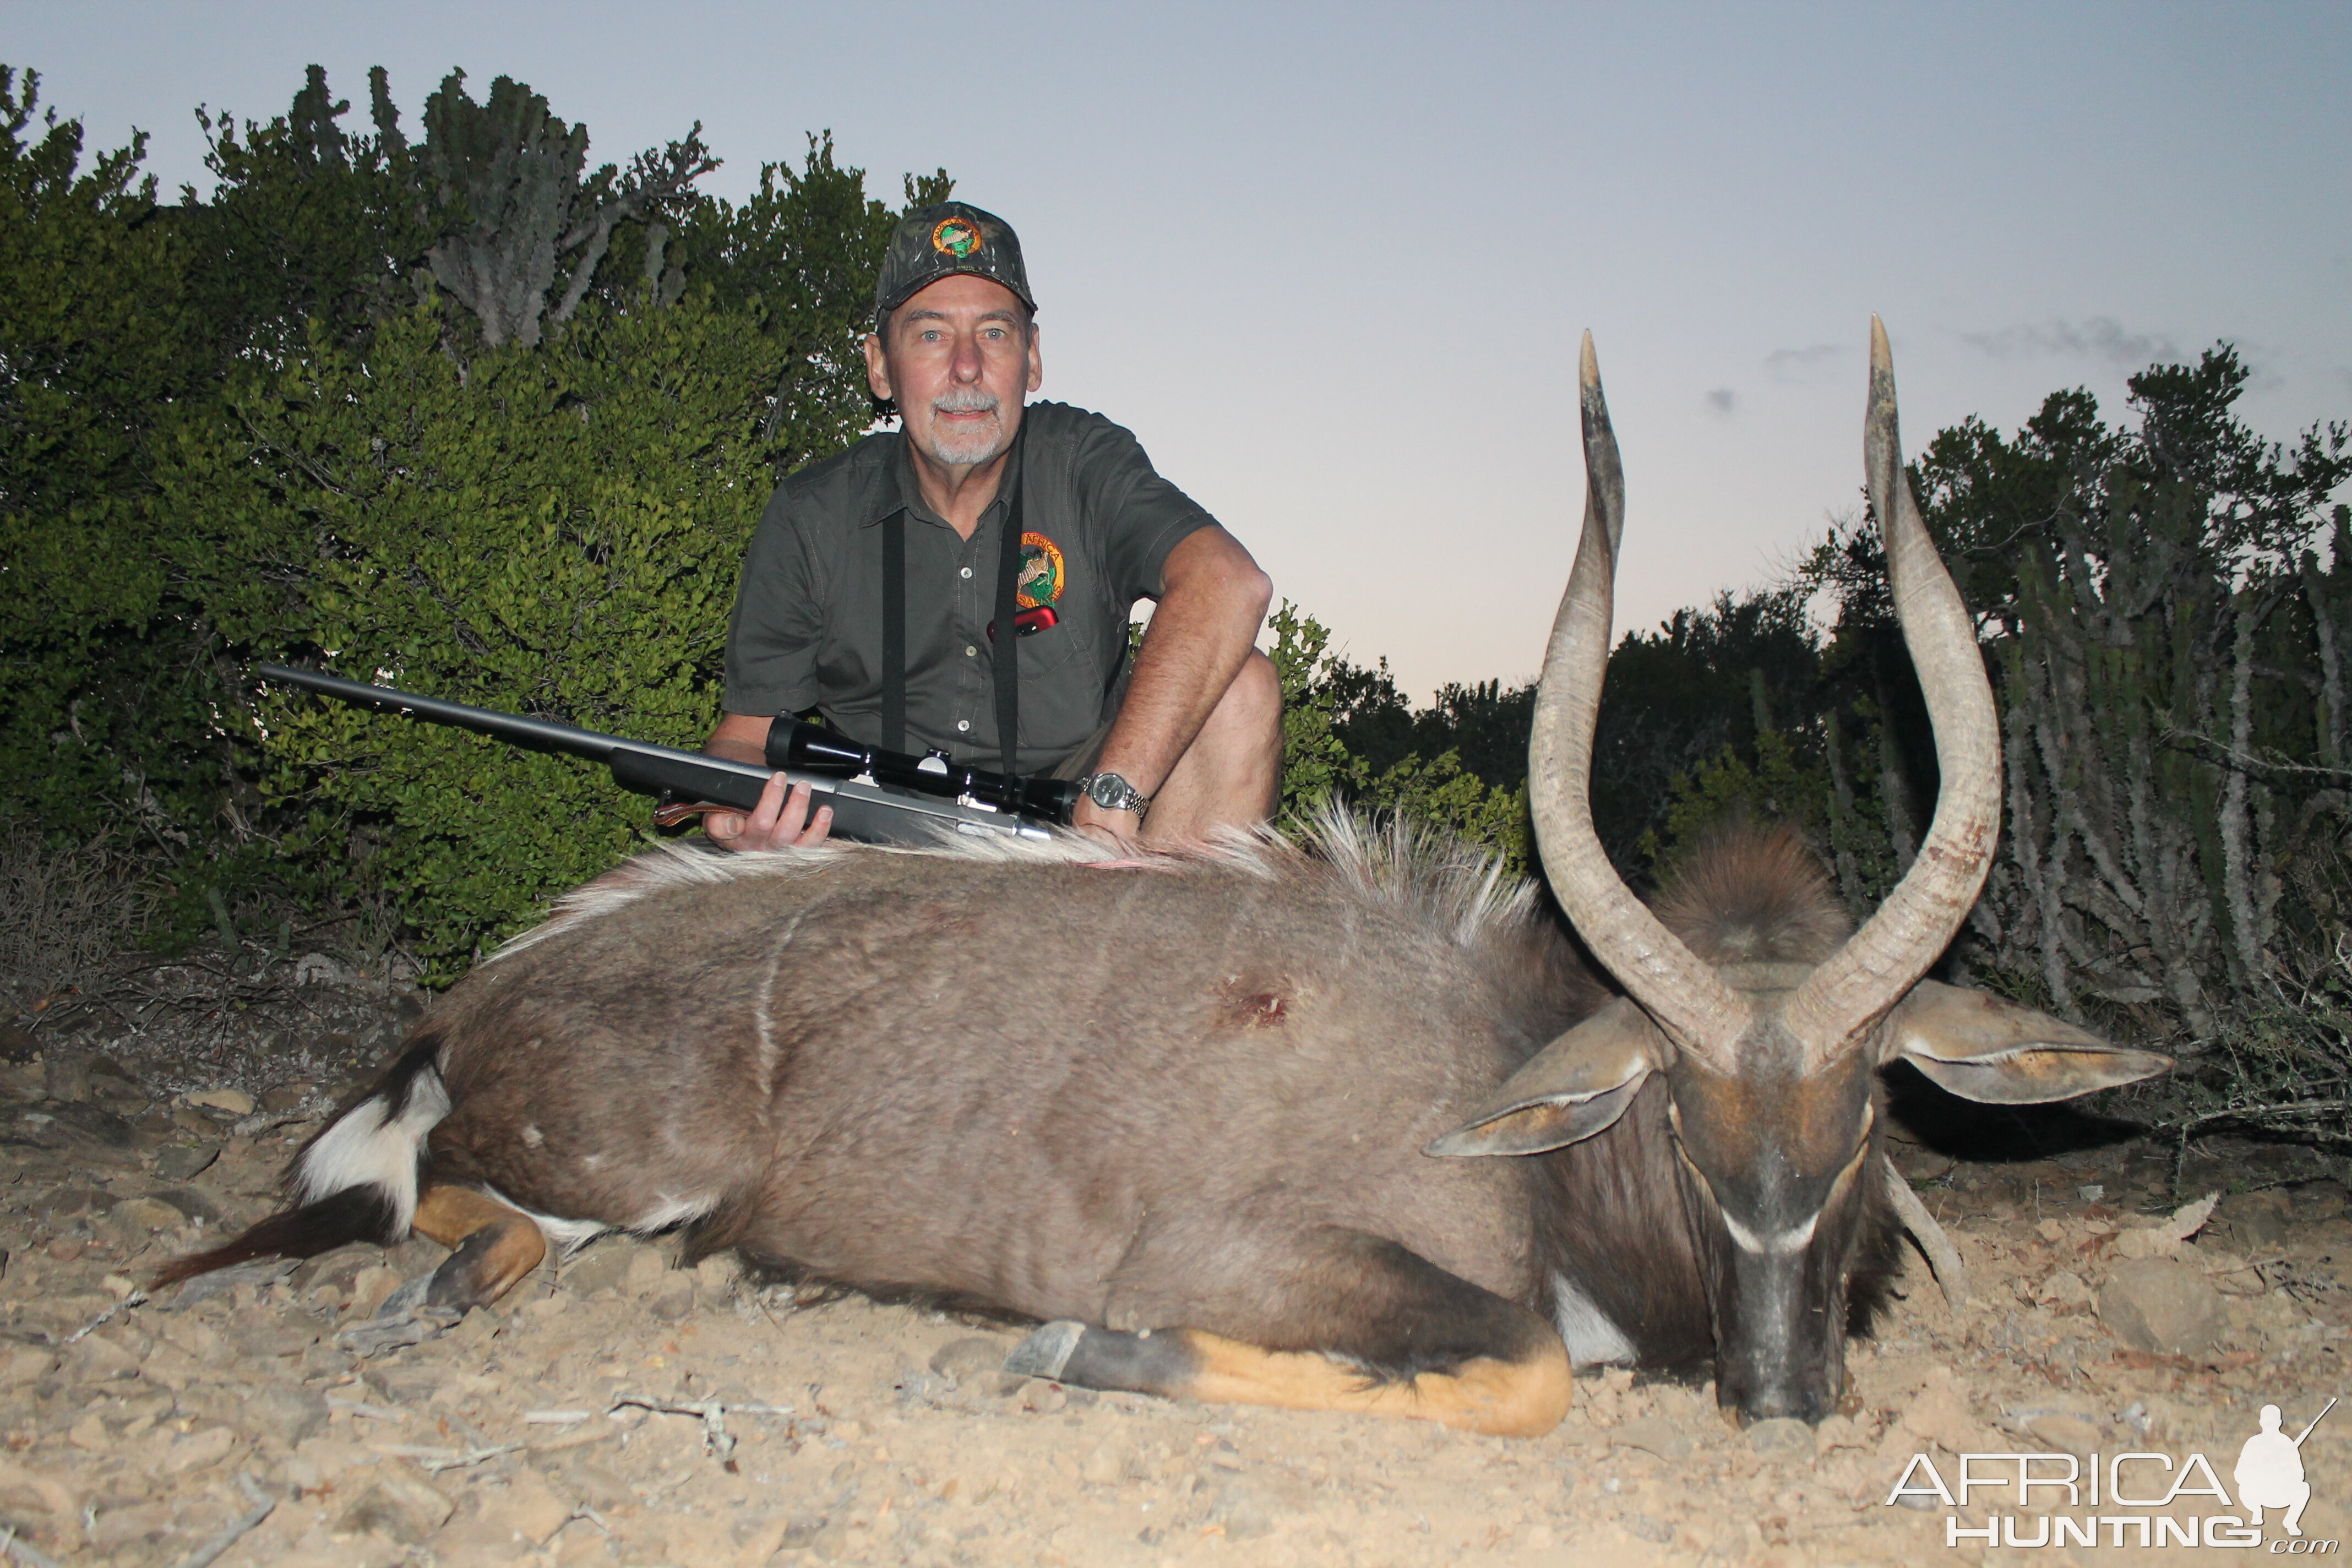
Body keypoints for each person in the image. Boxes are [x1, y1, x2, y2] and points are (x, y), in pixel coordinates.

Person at [703, 201, 1280, 852]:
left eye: (995, 333)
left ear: (1032, 358)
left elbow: (1231, 582)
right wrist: (739, 814)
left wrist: (1113, 794)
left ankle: (1153, 942)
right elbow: (744, 737)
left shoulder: (1084, 459)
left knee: (1243, 689)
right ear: (879, 366)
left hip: (1079, 825)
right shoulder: (812, 513)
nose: (968, 368)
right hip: (870, 835)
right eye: (930, 335)